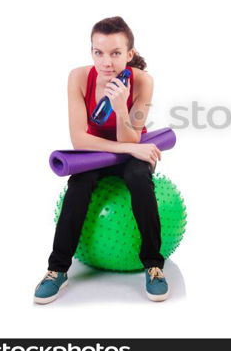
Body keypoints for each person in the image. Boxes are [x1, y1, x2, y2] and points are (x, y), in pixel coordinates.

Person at [34, 16, 169, 304]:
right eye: (99, 52)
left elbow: (132, 138)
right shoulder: (79, 77)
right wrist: (130, 149)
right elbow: (79, 140)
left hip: (130, 149)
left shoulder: (143, 81)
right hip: (96, 155)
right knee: (79, 184)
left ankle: (154, 265)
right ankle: (56, 270)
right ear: (91, 51)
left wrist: (121, 108)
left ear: (129, 54)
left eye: (116, 53)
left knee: (137, 177)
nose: (106, 62)